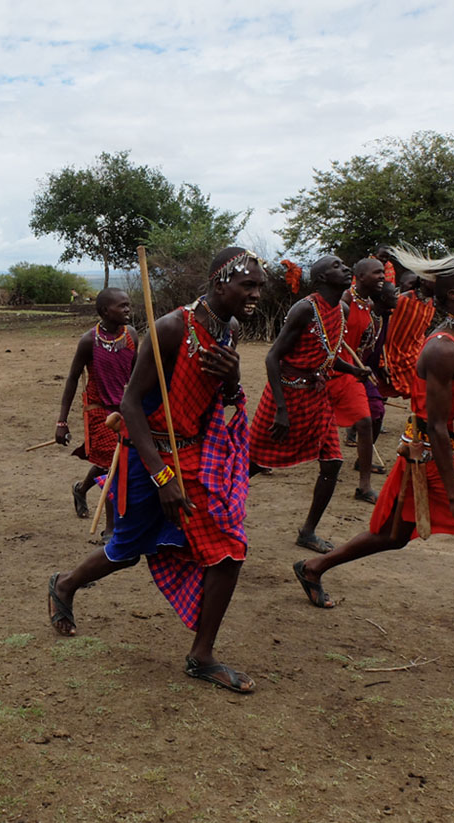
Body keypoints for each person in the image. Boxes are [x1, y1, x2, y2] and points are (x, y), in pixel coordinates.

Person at [292, 247, 454, 673]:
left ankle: (313, 567)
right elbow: (437, 427)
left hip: (427, 456)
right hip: (434, 461)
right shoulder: (443, 349)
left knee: (393, 534)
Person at [47, 247, 265, 693]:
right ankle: (65, 585)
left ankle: (201, 654)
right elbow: (130, 404)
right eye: (248, 285)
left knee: (230, 546)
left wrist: (233, 379)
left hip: (196, 454)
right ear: (220, 282)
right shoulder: (171, 328)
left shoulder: (230, 330)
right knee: (126, 549)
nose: (256, 294)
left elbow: (223, 400)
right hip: (148, 457)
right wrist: (162, 479)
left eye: (260, 287)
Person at [249, 255, 366, 553]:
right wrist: (281, 409)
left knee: (333, 462)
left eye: (344, 264)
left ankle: (308, 531)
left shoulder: (340, 310)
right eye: (336, 266)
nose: (346, 268)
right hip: (285, 395)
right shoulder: (305, 309)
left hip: (316, 395)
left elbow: (326, 355)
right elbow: (272, 357)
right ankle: (212, 508)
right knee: (252, 462)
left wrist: (354, 371)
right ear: (321, 278)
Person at [55, 288, 137, 539]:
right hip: (99, 411)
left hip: (125, 409)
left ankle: (81, 489)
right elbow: (72, 378)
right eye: (121, 306)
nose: (127, 309)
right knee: (113, 466)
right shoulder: (89, 341)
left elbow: (137, 374)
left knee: (111, 465)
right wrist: (62, 421)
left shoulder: (131, 336)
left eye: (128, 304)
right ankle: (110, 529)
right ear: (104, 311)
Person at [332, 257, 387, 502]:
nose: (382, 277)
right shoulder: (344, 300)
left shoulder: (370, 305)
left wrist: (364, 366)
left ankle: (364, 486)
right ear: (361, 276)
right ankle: (258, 459)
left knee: (369, 418)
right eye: (377, 273)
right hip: (333, 367)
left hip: (353, 369)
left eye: (383, 272)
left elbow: (363, 343)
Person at [380, 265, 437, 399]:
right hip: (391, 358)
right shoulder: (402, 300)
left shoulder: (431, 303)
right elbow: (384, 329)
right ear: (423, 280)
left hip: (413, 357)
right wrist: (382, 360)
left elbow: (419, 333)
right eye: (435, 279)